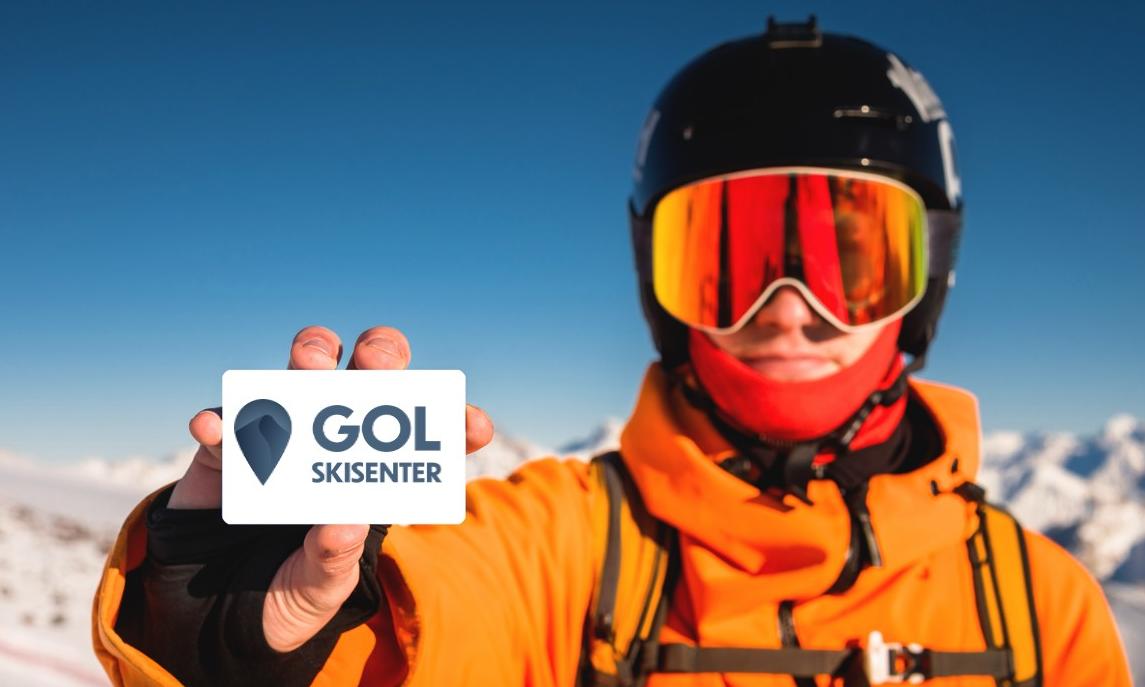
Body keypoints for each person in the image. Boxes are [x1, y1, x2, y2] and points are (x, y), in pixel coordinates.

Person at [92, 17, 1131, 687]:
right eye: (725, 261)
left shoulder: (1039, 603)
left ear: (926, 275)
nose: (787, 311)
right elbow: (418, 626)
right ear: (658, 285)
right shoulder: (557, 547)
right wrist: (248, 637)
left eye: (846, 259)